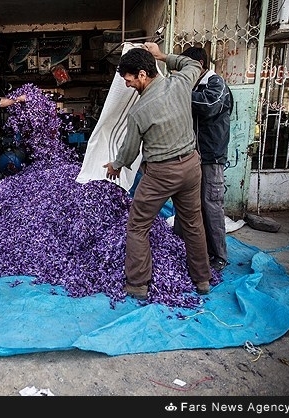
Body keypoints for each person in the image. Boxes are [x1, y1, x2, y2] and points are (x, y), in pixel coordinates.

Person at [103, 42, 212, 300]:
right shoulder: (180, 83)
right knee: (193, 224)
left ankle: (138, 285)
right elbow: (193, 63)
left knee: (138, 225)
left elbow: (129, 151)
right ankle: (202, 279)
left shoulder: (139, 111)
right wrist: (162, 55)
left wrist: (116, 166)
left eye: (129, 79)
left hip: (161, 174)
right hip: (191, 167)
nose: (127, 84)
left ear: (142, 74)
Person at [173, 46, 233, 272]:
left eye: (187, 67)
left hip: (210, 157)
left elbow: (208, 106)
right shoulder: (195, 86)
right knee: (185, 203)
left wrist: (177, 91)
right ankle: (179, 247)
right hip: (190, 156)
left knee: (211, 205)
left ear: (200, 65)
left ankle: (218, 256)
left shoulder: (216, 84)